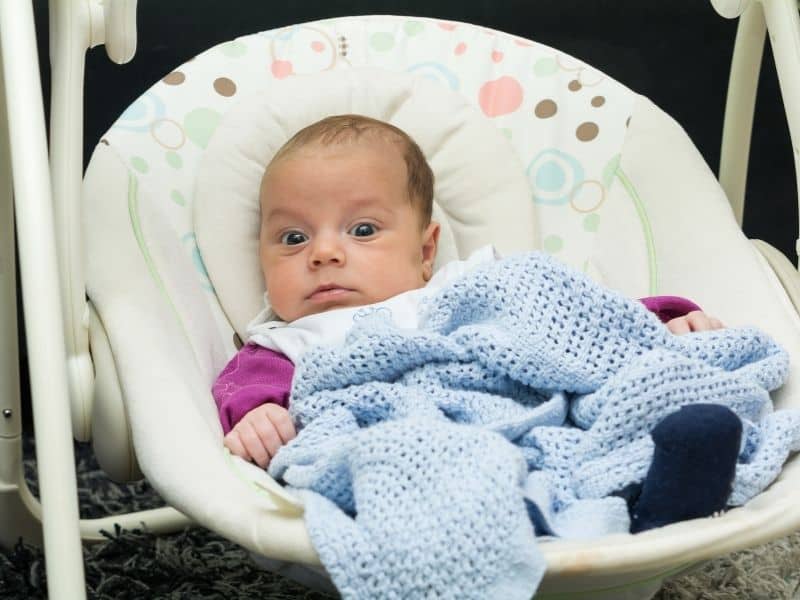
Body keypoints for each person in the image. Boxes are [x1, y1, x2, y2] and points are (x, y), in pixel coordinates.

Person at [213, 114, 725, 471]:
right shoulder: (286, 346)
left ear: (426, 250)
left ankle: (665, 469)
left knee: (626, 403)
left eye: (363, 230)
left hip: (533, 419)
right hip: (411, 452)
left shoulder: (468, 289)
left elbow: (570, 315)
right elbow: (242, 393)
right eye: (293, 238)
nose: (323, 253)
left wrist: (661, 319)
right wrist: (258, 418)